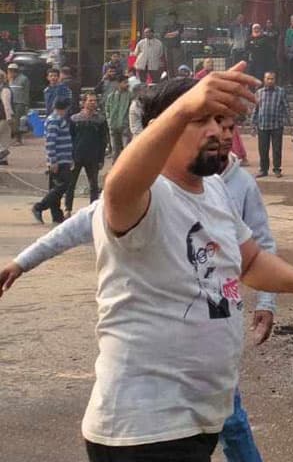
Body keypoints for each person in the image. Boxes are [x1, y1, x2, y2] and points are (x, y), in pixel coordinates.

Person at [82, 66, 293, 461]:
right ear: (163, 131)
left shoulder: (214, 189)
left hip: (198, 419)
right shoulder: (144, 197)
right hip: (142, 429)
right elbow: (116, 187)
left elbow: (249, 261)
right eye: (202, 120)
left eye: (221, 120)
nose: (218, 131)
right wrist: (184, 107)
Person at [0, 114, 278, 462]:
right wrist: (22, 262)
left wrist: (270, 299)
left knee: (229, 422)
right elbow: (80, 223)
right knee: (229, 422)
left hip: (213, 355)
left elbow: (257, 251)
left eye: (228, 128)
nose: (220, 135)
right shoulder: (143, 194)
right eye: (209, 125)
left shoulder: (233, 186)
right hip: (156, 399)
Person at [65, 92, 109, 214]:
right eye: (90, 101)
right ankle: (68, 208)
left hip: (93, 157)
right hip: (76, 156)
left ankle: (93, 210)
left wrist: (101, 159)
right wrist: (69, 156)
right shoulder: (74, 119)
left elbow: (103, 140)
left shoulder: (100, 120)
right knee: (71, 184)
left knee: (94, 185)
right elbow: (70, 138)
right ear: (84, 102)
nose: (93, 103)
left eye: (95, 101)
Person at [32, 98, 72, 225]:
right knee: (63, 185)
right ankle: (39, 206)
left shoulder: (57, 119)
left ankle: (57, 215)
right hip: (59, 159)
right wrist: (53, 160)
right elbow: (50, 141)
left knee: (55, 188)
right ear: (66, 108)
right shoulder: (55, 120)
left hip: (63, 158)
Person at [251, 72, 289, 179]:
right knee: (263, 149)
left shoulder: (281, 92)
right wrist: (253, 124)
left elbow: (286, 107)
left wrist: (287, 121)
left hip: (277, 125)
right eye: (268, 78)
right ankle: (263, 169)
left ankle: (277, 169)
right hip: (262, 125)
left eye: (272, 79)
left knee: (277, 149)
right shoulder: (259, 92)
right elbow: (255, 109)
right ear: (264, 79)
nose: (270, 81)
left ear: (275, 80)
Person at [104, 76, 133, 158]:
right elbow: (107, 110)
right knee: (115, 150)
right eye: (125, 82)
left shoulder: (130, 96)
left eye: (127, 82)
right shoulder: (111, 96)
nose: (127, 84)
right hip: (113, 126)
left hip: (125, 127)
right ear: (118, 84)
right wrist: (109, 121)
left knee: (127, 150)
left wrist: (128, 122)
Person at [8, 63, 29, 145]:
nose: (11, 72)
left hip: (20, 103)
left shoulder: (24, 79)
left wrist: (26, 105)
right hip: (10, 103)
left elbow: (26, 93)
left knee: (17, 122)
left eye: (12, 71)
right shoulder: (9, 79)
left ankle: (18, 140)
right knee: (11, 121)